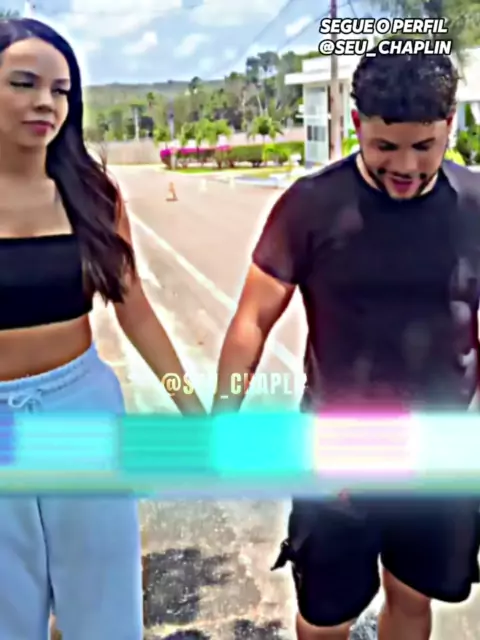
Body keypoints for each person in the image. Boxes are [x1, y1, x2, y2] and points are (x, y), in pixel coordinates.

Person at [213, 42, 480, 640]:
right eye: (385, 146)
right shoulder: (310, 207)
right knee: (324, 618)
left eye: (424, 146)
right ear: (355, 123)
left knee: (412, 599)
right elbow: (253, 319)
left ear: (450, 125)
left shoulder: (475, 206)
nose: (406, 166)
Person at [0, 17, 205, 640]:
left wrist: (191, 407)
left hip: (81, 413)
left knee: (105, 613)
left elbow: (134, 307)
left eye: (61, 90)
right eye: (24, 83)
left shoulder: (92, 193)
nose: (46, 102)